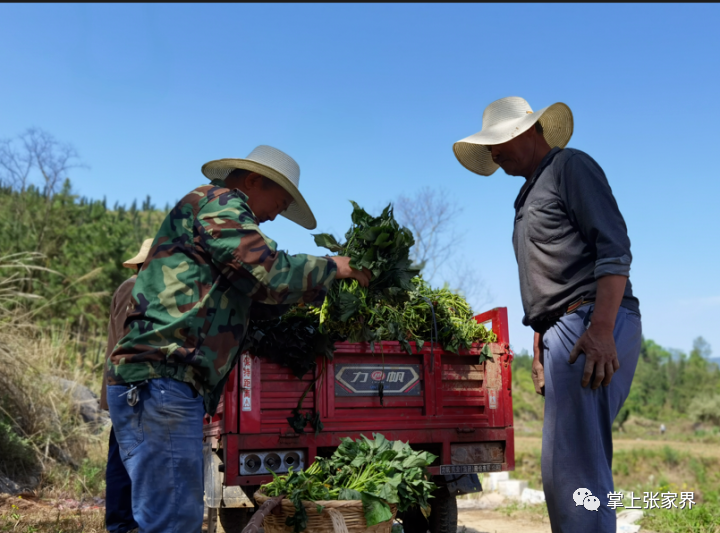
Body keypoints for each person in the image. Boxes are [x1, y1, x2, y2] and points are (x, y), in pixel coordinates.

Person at [105, 145, 370, 533]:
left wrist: (317, 293)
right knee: (173, 522)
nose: (275, 216)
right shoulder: (221, 202)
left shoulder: (213, 215)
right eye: (278, 203)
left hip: (161, 383)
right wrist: (334, 267)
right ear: (253, 182)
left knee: (157, 518)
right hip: (165, 378)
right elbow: (265, 270)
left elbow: (257, 297)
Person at [453, 97, 642, 533]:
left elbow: (614, 250)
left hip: (589, 325)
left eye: (499, 143)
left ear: (531, 131)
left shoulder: (569, 168)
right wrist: (540, 349)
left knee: (574, 470)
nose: (494, 154)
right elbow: (547, 284)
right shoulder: (529, 192)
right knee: (568, 468)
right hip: (566, 330)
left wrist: (600, 330)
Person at [100, 238, 153, 533]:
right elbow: (131, 340)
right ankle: (122, 524)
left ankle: (123, 522)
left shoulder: (129, 286)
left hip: (123, 387)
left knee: (124, 457)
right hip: (130, 387)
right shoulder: (136, 287)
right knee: (126, 460)